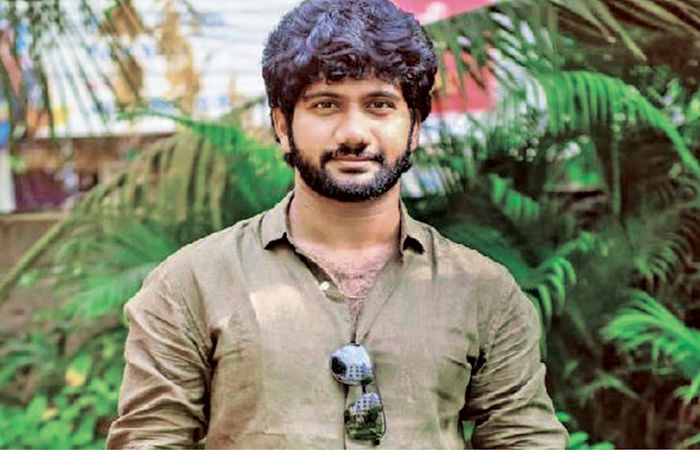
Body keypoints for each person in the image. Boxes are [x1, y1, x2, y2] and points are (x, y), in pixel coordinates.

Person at [106, 0, 569, 448]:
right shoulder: (191, 284)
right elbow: (150, 440)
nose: (353, 133)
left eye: (380, 105)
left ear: (415, 126)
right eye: (326, 105)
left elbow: (524, 439)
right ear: (282, 125)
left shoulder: (483, 292)